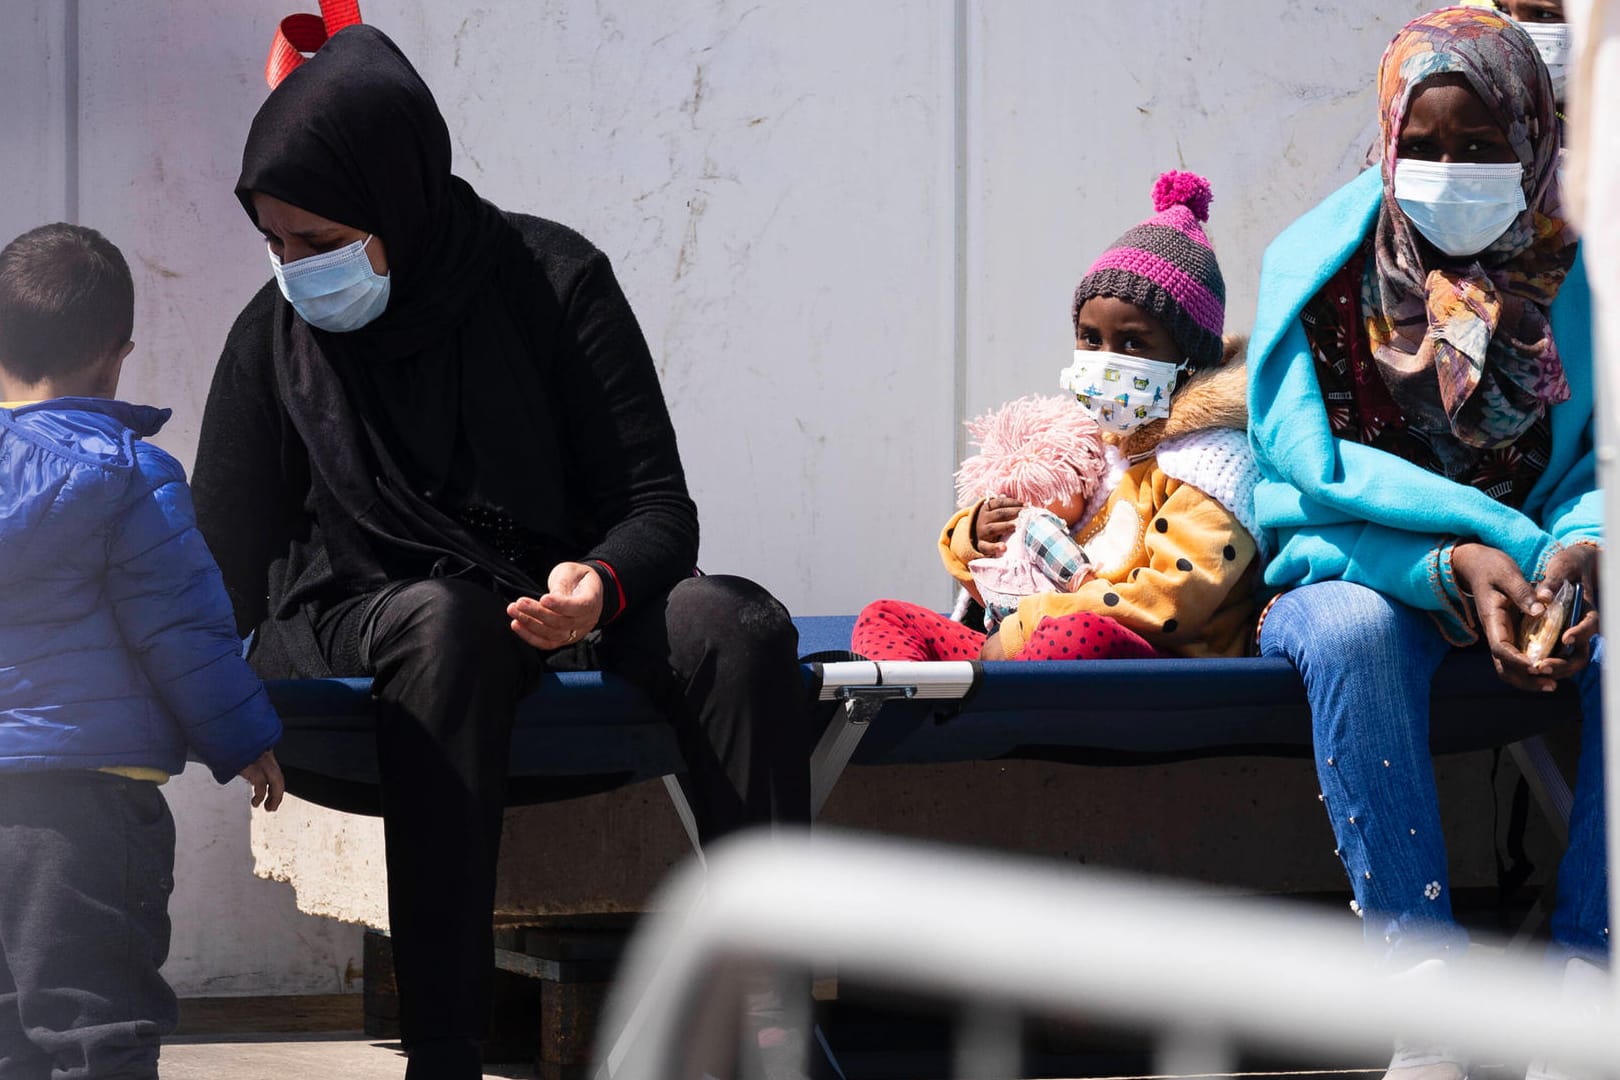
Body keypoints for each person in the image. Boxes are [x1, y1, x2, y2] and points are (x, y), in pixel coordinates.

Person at [190, 25, 811, 1079]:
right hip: (359, 627)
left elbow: (657, 509)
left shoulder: (551, 282)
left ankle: (775, 1015)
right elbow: (217, 569)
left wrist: (600, 585)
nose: (296, 270)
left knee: (737, 625)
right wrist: (205, 699)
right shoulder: (274, 340)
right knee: (446, 619)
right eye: (276, 243)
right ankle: (445, 1047)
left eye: (320, 241)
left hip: (546, 613)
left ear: (398, 200)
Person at [1247, 9, 1605, 1079]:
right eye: (1429, 146)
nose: (1451, 169)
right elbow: (1300, 495)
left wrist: (1578, 550)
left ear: (1533, 140)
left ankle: (1590, 984)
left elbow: (1603, 460)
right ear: (1390, 139)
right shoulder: (1321, 274)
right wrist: (1448, 563)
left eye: (1483, 145)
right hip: (1352, 571)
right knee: (1353, 635)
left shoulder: (1577, 277)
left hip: (1542, 565)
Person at [0, 223, 285, 1080]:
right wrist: (245, 739)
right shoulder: (128, 474)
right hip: (86, 809)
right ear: (116, 355)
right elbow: (182, 630)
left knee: (9, 1028)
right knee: (97, 1020)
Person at [853, 172, 1264, 664]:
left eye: (1133, 342)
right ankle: (921, 725)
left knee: (1074, 637)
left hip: (1156, 667)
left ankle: (982, 715)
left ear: (1191, 358)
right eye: (1091, 338)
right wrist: (978, 535)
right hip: (1033, 641)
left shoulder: (1213, 464)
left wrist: (1028, 624)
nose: (1105, 356)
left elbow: (1171, 606)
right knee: (886, 616)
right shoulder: (1097, 446)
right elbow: (1023, 562)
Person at [952, 393, 1113, 632]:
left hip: (1051, 635)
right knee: (885, 614)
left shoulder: (1048, 523)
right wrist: (973, 533)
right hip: (990, 637)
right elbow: (966, 574)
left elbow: (1092, 595)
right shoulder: (1011, 523)